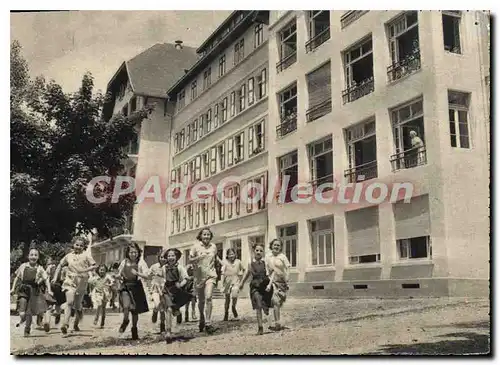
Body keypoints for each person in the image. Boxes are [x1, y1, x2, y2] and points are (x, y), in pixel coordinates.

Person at [52, 237, 97, 336]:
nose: (79, 247)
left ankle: (76, 322)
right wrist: (55, 277)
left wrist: (85, 270)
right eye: (77, 244)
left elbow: (94, 265)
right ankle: (65, 324)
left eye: (81, 245)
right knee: (69, 302)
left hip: (82, 281)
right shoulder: (68, 256)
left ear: (84, 246)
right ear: (73, 245)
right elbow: (60, 265)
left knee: (77, 305)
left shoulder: (86, 256)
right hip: (70, 280)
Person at [10, 248, 53, 337]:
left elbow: (46, 279)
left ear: (38, 257)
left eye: (35, 255)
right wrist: (13, 289)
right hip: (23, 290)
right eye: (31, 255)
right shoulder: (23, 266)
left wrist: (49, 290)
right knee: (22, 312)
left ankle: (27, 329)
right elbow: (17, 278)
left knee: (29, 312)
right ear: (28, 256)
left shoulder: (40, 268)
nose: (33, 257)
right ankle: (23, 318)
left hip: (34, 291)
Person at [189, 228, 223, 333]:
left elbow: (216, 258)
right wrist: (199, 257)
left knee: (208, 297)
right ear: (201, 236)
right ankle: (202, 318)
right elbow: (190, 260)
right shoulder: (195, 246)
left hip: (211, 275)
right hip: (199, 277)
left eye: (208, 235)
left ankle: (208, 323)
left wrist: (223, 265)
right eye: (204, 234)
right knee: (201, 301)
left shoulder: (213, 246)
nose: (206, 237)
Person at [117, 242, 149, 340]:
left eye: (135, 252)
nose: (133, 254)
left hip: (136, 287)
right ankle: (125, 320)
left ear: (138, 253)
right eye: (131, 252)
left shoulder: (141, 262)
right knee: (126, 306)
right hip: (126, 286)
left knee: (135, 311)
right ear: (128, 253)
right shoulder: (124, 262)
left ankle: (134, 329)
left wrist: (138, 273)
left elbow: (147, 276)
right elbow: (119, 274)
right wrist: (118, 277)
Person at [239, 243, 272, 335]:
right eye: (257, 250)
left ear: (263, 252)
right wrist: (241, 283)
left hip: (264, 287)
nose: (259, 252)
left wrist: (270, 284)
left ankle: (266, 308)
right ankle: (260, 327)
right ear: (254, 251)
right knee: (258, 305)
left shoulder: (265, 263)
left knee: (265, 305)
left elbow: (271, 274)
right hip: (255, 287)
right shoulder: (250, 263)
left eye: (261, 251)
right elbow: (247, 274)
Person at [162, 248, 192, 344]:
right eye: (169, 256)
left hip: (176, 290)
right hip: (167, 290)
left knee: (174, 309)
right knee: (168, 310)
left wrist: (181, 284)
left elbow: (186, 278)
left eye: (173, 256)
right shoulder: (164, 267)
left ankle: (177, 310)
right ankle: (168, 331)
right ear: (166, 257)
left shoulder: (180, 267)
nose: (171, 257)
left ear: (177, 257)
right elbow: (161, 277)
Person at [266, 239, 291, 332]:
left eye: (278, 245)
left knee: (279, 302)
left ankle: (277, 320)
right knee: (275, 301)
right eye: (274, 245)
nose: (276, 247)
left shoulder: (282, 256)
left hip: (282, 282)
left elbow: (288, 267)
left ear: (280, 247)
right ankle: (277, 323)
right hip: (272, 281)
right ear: (271, 246)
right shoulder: (268, 257)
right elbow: (267, 269)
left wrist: (287, 277)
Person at [221, 248, 244, 321]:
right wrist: (222, 284)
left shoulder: (238, 262)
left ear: (235, 254)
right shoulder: (225, 262)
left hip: (236, 282)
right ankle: (226, 313)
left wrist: (241, 279)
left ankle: (233, 307)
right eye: (230, 254)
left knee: (234, 295)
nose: (231, 256)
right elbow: (222, 273)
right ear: (227, 255)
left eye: (232, 254)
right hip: (227, 283)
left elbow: (243, 270)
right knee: (227, 299)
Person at [149, 249, 167, 333]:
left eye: (165, 257)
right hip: (155, 288)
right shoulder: (154, 266)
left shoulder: (168, 267)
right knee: (157, 304)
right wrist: (150, 274)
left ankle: (162, 326)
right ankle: (155, 311)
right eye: (161, 257)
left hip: (164, 289)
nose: (163, 259)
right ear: (159, 258)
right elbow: (148, 275)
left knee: (163, 309)